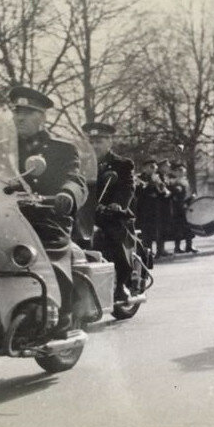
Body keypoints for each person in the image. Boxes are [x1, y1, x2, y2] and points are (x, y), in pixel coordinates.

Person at [9, 86, 89, 331]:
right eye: (16, 112)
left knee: (48, 251)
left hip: (46, 216)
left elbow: (75, 178)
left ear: (42, 117)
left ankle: (61, 311)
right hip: (4, 217)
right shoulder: (1, 149)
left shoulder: (61, 149)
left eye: (28, 112)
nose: (20, 117)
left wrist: (67, 194)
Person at [82, 121, 136, 301]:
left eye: (99, 141)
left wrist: (118, 204)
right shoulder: (81, 164)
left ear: (109, 142)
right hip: (85, 214)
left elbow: (127, 187)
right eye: (92, 142)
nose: (95, 146)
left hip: (110, 214)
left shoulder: (122, 164)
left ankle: (121, 284)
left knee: (115, 239)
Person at [134, 159, 168, 255]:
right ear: (145, 168)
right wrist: (147, 186)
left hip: (157, 207)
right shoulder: (139, 178)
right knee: (146, 230)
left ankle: (160, 250)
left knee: (159, 228)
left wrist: (161, 186)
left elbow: (163, 191)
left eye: (155, 167)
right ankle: (148, 250)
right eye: (151, 166)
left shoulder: (158, 177)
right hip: (144, 208)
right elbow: (137, 193)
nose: (154, 169)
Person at [168, 162, 199, 253]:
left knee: (189, 227)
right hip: (178, 208)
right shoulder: (173, 182)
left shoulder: (185, 181)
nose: (181, 172)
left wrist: (192, 197)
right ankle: (177, 247)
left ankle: (189, 246)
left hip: (187, 207)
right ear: (175, 172)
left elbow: (188, 193)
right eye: (179, 170)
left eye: (182, 170)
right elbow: (174, 195)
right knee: (178, 228)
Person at [155, 159, 174, 257]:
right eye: (167, 165)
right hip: (160, 206)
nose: (169, 166)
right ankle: (159, 250)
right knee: (160, 228)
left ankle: (162, 249)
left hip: (166, 205)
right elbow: (159, 190)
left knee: (165, 228)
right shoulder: (157, 176)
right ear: (161, 166)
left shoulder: (165, 176)